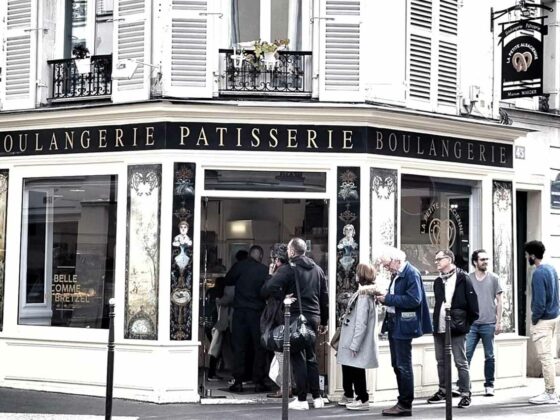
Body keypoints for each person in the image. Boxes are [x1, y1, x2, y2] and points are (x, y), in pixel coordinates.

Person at [265, 237, 328, 410]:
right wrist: (324, 320)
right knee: (311, 357)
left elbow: (268, 288)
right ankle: (317, 397)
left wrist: (274, 282)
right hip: (314, 317)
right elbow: (324, 297)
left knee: (298, 358)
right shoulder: (318, 269)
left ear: (292, 252)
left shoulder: (288, 269)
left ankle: (301, 399)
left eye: (288, 251)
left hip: (295, 317)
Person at [374, 246, 432, 417]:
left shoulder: (411, 273)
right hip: (395, 322)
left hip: (403, 324)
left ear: (396, 260)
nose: (386, 268)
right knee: (397, 364)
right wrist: (384, 298)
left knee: (403, 364)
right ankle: (402, 402)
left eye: (387, 265)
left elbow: (414, 299)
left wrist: (388, 298)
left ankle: (405, 404)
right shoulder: (399, 274)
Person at [427, 250, 478, 409]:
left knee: (460, 361)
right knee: (441, 361)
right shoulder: (438, 281)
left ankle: (465, 393)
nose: (436, 263)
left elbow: (473, 306)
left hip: (457, 328)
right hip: (439, 326)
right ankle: (443, 390)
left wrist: (464, 325)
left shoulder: (463, 278)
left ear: (449, 259)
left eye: (439, 260)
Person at [225, 245, 270, 393]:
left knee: (239, 347)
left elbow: (228, 280)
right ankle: (258, 381)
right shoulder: (264, 270)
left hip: (239, 313)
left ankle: (238, 381)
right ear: (261, 256)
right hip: (257, 313)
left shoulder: (240, 266)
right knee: (259, 347)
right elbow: (267, 291)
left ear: (250, 254)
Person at [336, 263, 379, 411]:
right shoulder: (366, 294)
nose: (354, 275)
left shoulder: (364, 296)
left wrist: (355, 344)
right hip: (351, 337)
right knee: (350, 367)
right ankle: (350, 394)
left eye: (356, 273)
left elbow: (361, 323)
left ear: (361, 276)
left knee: (357, 368)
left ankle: (362, 398)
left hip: (354, 338)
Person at [524, 240, 560, 405]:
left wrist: (534, 319)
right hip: (554, 318)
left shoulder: (538, 273)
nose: (526, 258)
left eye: (527, 256)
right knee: (549, 357)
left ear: (532, 255)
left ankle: (550, 393)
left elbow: (539, 302)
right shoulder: (551, 268)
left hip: (543, 321)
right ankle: (550, 391)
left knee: (545, 358)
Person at [466, 249, 502, 397]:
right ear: (475, 262)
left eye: (487, 259)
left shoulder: (494, 278)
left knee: (490, 356)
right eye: (482, 259)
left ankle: (489, 385)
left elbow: (500, 302)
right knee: (466, 355)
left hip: (489, 323)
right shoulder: (468, 279)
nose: (486, 262)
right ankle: (464, 386)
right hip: (472, 325)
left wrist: (499, 322)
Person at [261, 243, 290, 398]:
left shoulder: (280, 274)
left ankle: (285, 387)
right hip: (286, 315)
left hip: (277, 316)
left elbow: (264, 291)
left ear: (277, 260)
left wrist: (270, 275)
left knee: (280, 353)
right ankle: (288, 386)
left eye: (272, 259)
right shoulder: (293, 271)